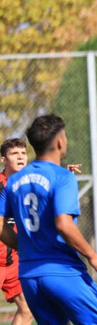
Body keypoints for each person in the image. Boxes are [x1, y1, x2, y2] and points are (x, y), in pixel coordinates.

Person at [0, 115, 97, 324]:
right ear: (60, 142)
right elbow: (63, 224)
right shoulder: (62, 177)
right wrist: (92, 255)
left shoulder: (13, 182)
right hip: (62, 271)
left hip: (29, 275)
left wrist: (24, 247)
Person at [0, 138, 33, 325]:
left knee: (27, 308)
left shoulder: (28, 183)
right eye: (14, 154)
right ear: (4, 160)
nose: (20, 157)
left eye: (23, 153)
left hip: (13, 262)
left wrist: (62, 174)